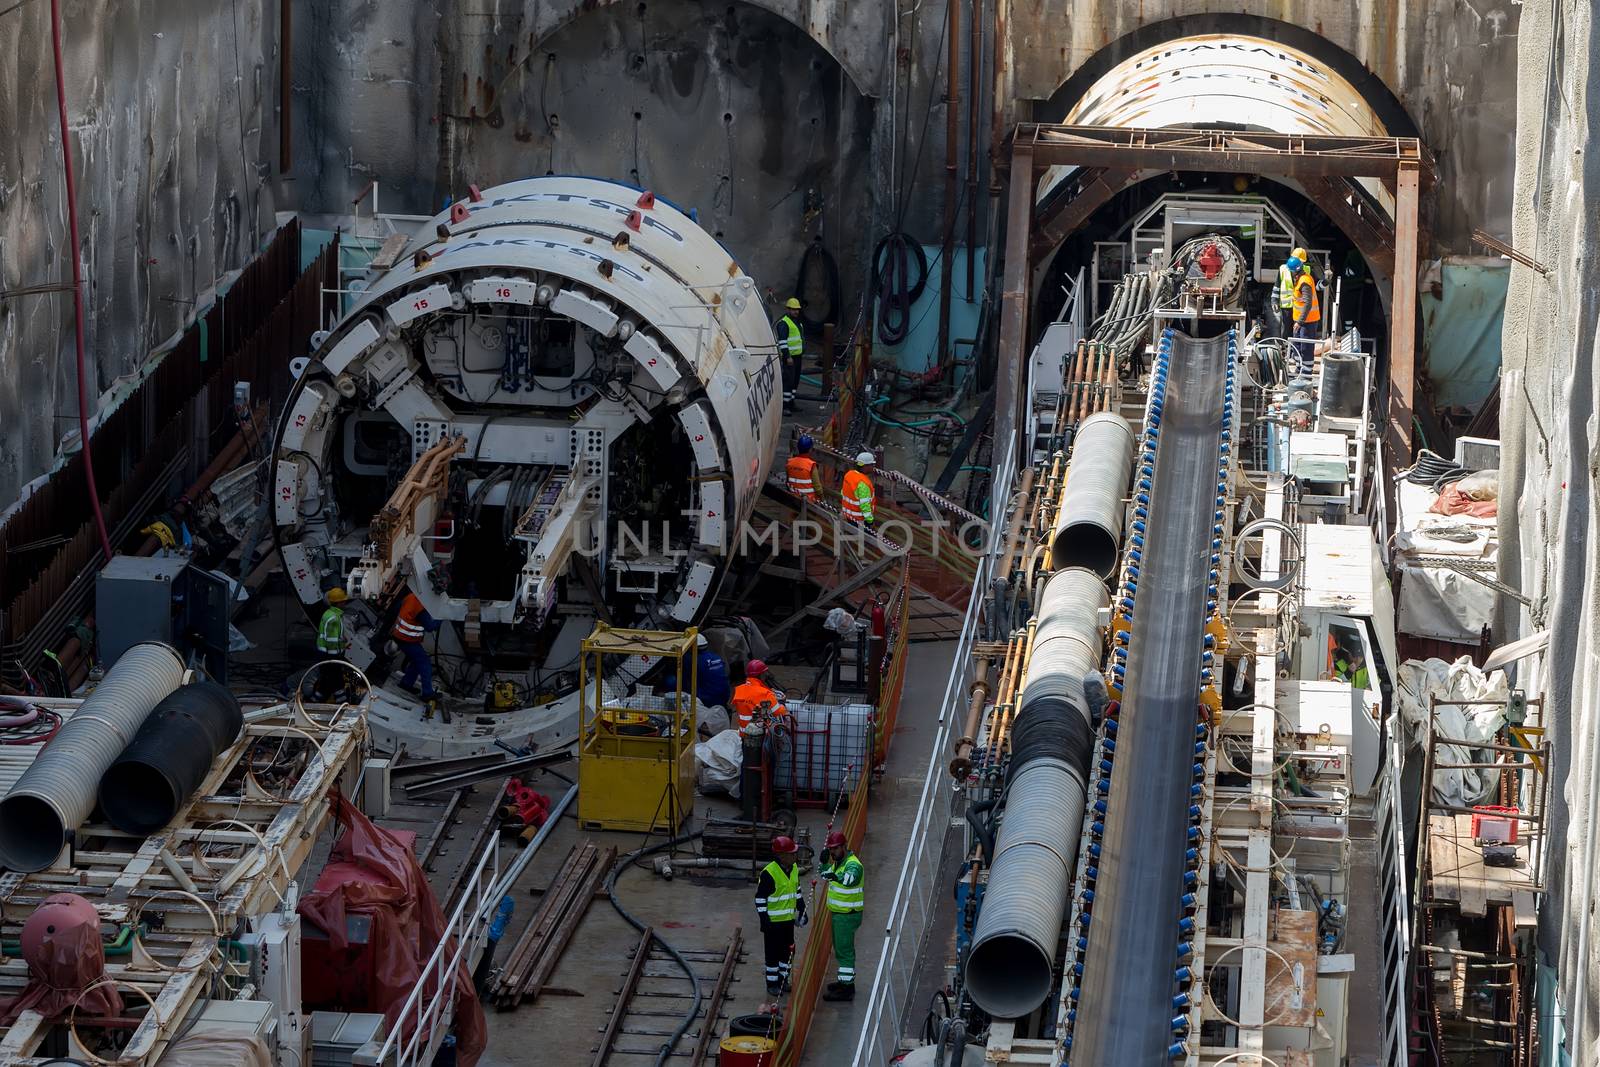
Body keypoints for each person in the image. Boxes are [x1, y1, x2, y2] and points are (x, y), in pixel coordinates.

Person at [756, 835, 806, 1001]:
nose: (794, 856)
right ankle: (772, 984)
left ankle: (783, 980)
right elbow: (760, 899)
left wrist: (802, 909)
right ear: (781, 855)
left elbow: (797, 891)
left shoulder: (793, 870)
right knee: (772, 954)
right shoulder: (769, 873)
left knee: (788, 951)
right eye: (791, 853)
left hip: (788, 922)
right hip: (773, 924)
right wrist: (765, 920)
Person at [820, 830, 865, 1001]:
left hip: (847, 916)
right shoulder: (839, 863)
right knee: (841, 950)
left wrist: (833, 874)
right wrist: (823, 865)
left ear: (844, 847)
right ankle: (844, 982)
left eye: (836, 848)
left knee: (844, 952)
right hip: (841, 915)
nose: (832, 852)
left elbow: (848, 880)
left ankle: (846, 990)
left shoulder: (853, 865)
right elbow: (827, 875)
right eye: (831, 849)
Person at [392, 588, 443, 716]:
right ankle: (427, 693)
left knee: (416, 661)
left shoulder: (411, 596)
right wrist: (442, 616)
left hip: (400, 635)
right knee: (424, 662)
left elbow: (398, 608)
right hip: (407, 639)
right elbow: (430, 627)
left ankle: (406, 683)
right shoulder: (421, 607)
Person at [663, 633, 732, 710]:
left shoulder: (691, 660)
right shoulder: (716, 657)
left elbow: (683, 680)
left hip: (705, 699)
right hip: (723, 697)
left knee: (670, 680)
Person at [731, 659, 786, 728]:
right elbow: (779, 712)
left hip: (743, 733)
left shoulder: (738, 690)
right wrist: (782, 704)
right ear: (761, 674)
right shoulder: (765, 693)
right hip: (761, 734)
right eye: (765, 673)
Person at [1290, 257, 1321, 376]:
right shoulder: (1298, 279)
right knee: (1297, 345)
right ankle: (1299, 369)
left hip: (1308, 321)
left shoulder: (1305, 282)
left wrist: (1300, 322)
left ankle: (1306, 373)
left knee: (1306, 348)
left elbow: (1307, 304)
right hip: (1300, 320)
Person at [777, 297, 804, 415]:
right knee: (788, 381)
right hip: (790, 358)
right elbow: (782, 342)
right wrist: (787, 356)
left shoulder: (798, 323)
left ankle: (792, 403)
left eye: (797, 309)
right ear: (788, 309)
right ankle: (785, 406)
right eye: (793, 309)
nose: (796, 311)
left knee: (795, 381)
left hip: (797, 357)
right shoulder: (784, 323)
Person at [1273, 247, 1307, 338]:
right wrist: (1274, 301)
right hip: (1287, 306)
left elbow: (1311, 287)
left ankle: (1294, 349)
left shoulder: (1307, 270)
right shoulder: (1283, 269)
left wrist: (1324, 282)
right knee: (1286, 329)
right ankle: (1284, 347)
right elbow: (1277, 286)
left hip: (1299, 306)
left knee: (1298, 329)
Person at [840, 451, 876, 527]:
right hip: (859, 521)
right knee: (865, 538)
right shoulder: (863, 483)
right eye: (872, 465)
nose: (873, 467)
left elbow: (843, 492)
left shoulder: (849, 475)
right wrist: (870, 521)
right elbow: (865, 505)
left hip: (847, 516)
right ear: (865, 466)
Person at [786, 434, 819, 500]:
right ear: (810, 450)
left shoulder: (789, 462)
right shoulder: (811, 465)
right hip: (809, 501)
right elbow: (817, 487)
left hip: (793, 497)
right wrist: (822, 499)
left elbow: (787, 481)